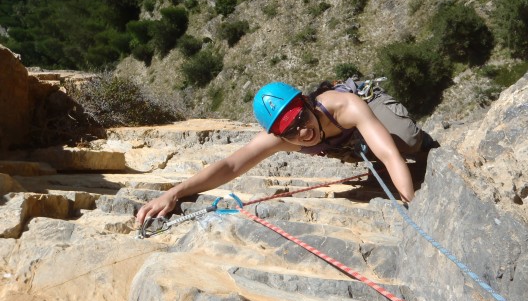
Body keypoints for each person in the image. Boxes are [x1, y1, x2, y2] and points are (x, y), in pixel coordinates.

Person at [136, 80, 437, 225]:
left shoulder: (346, 106)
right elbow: (230, 165)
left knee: (408, 142)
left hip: (368, 111)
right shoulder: (282, 137)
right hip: (345, 143)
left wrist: (410, 208)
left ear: (308, 104)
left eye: (302, 119)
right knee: (363, 150)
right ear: (278, 135)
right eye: (290, 131)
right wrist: (174, 192)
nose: (302, 131)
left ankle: (422, 141)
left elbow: (390, 156)